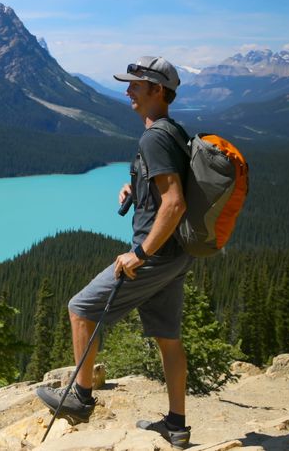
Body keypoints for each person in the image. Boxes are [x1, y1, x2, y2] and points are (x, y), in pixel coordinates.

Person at [35, 55, 193, 449]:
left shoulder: (154, 136)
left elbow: (174, 203)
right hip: (176, 255)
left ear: (158, 90)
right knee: (168, 339)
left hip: (153, 256)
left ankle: (82, 398)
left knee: (81, 308)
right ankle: (177, 425)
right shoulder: (172, 131)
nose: (127, 92)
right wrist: (135, 189)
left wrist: (139, 255)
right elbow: (165, 190)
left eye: (136, 87)